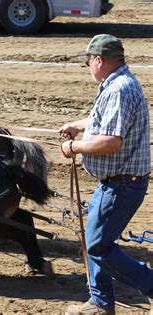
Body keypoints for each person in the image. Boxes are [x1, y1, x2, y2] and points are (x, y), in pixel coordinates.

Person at [59, 34, 153, 315]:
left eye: (88, 60)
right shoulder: (117, 84)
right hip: (118, 181)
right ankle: (100, 303)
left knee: (98, 245)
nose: (88, 65)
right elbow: (104, 119)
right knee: (93, 241)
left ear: (99, 60)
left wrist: (73, 147)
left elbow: (111, 141)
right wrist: (77, 125)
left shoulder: (118, 89)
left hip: (122, 184)